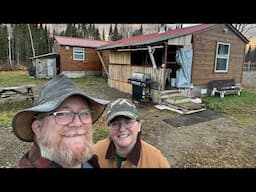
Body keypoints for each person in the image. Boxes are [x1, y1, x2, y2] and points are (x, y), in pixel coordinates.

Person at [12, 73, 110, 168]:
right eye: (63, 114)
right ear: (38, 128)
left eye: (84, 113)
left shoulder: (92, 162)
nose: (77, 123)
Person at [93, 98, 170, 168]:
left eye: (128, 122)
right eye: (115, 124)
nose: (122, 129)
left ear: (139, 126)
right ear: (109, 128)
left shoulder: (157, 162)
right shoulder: (94, 153)